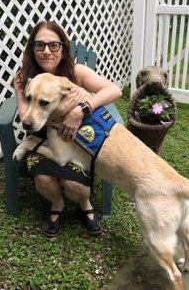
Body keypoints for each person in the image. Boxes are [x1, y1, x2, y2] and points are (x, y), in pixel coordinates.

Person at [12, 21, 122, 237]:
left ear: (63, 48)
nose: (46, 51)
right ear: (32, 49)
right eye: (39, 45)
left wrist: (82, 108)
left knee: (76, 186)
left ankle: (84, 203)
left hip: (75, 141)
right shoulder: (25, 77)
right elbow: (26, 116)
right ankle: (57, 203)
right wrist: (22, 92)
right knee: (45, 181)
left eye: (53, 45)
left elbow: (114, 90)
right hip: (41, 138)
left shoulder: (75, 73)